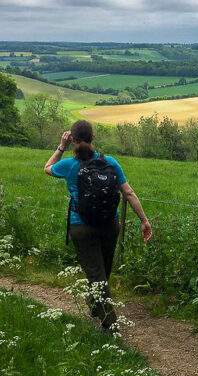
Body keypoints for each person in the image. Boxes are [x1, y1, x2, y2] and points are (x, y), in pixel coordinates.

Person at [44, 120, 152, 331]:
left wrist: (61, 147)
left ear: (72, 138)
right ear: (93, 138)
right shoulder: (110, 162)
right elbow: (128, 192)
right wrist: (144, 220)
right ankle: (100, 311)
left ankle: (109, 326)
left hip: (81, 227)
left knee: (96, 274)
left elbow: (47, 167)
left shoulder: (69, 165)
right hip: (110, 224)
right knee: (102, 272)